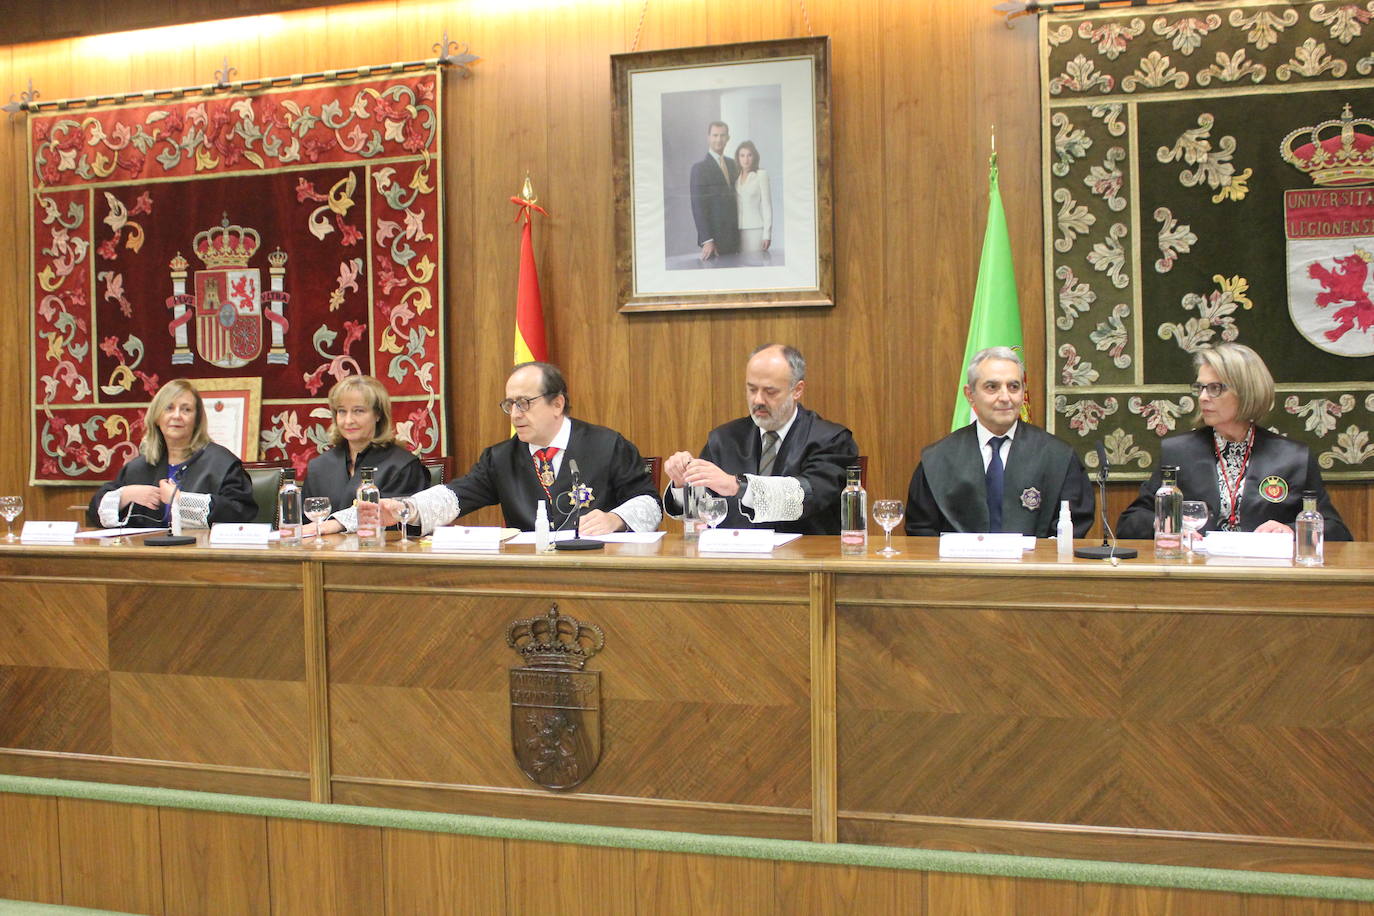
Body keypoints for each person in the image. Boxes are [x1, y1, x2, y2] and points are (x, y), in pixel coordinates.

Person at [386, 362, 661, 535]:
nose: (515, 414)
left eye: (524, 403)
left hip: (599, 568)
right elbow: (455, 496)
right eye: (509, 404)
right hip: (529, 573)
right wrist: (404, 508)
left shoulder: (607, 445)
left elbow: (649, 502)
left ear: (557, 404)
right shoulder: (500, 458)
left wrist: (615, 519)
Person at [1117, 342, 1351, 540]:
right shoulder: (1178, 452)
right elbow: (1131, 522)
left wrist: (1290, 530)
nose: (1203, 397)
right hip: (1198, 573)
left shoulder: (1293, 457)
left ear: (1246, 390)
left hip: (1265, 577)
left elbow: (1336, 530)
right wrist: (1169, 525)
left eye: (1215, 388)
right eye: (1200, 387)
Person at [663, 344, 858, 535]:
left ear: (797, 390)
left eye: (770, 391)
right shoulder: (724, 438)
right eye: (752, 389)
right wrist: (683, 484)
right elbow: (704, 511)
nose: (758, 400)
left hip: (804, 559)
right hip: (734, 560)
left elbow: (807, 496)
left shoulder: (832, 440)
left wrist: (737, 485)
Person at [906, 346, 1094, 537]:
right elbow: (921, 531)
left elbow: (1074, 526)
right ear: (970, 394)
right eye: (992, 387)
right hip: (959, 566)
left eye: (1014, 387)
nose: (1005, 398)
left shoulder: (1058, 456)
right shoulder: (937, 459)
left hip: (1033, 566)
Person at [86, 378, 256, 529]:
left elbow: (241, 513)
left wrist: (181, 500)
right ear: (157, 417)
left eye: (186, 409)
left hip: (205, 558)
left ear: (197, 419)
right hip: (146, 558)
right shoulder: (138, 467)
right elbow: (95, 513)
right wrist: (125, 495)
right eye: (169, 408)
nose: (177, 416)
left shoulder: (222, 463)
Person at [302, 375, 428, 536]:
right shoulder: (319, 466)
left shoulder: (403, 466)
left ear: (378, 415)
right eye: (342, 411)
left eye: (358, 411)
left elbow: (404, 528)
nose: (348, 421)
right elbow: (305, 527)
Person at [689, 121, 740, 262]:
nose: (719, 139)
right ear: (708, 138)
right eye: (715, 135)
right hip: (715, 239)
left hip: (736, 237)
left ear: (728, 138)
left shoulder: (733, 164)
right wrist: (707, 240)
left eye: (722, 135)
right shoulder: (699, 168)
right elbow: (697, 206)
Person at [734, 140, 772, 254]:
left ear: (754, 157)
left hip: (755, 229)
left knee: (755, 263)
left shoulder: (761, 175)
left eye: (749, 155)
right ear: (738, 158)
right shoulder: (736, 178)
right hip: (737, 230)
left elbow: (767, 206)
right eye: (742, 155)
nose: (746, 159)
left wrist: (767, 234)